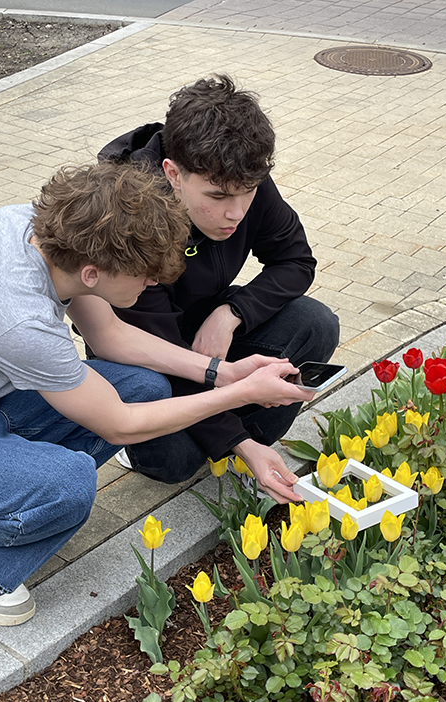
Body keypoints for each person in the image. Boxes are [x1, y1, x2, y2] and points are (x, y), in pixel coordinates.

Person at [0, 162, 312, 627]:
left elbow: (113, 337)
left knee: (142, 387)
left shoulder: (38, 232)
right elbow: (118, 424)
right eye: (144, 274)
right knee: (68, 484)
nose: (154, 282)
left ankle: (0, 486)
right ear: (93, 274)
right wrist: (240, 395)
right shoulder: (19, 316)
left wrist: (223, 372)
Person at [99, 74, 340, 499]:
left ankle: (242, 446)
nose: (235, 213)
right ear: (172, 173)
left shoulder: (238, 175)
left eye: (247, 193)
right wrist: (241, 444)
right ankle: (193, 446)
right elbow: (154, 347)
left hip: (210, 323)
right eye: (217, 197)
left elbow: (297, 261)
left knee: (314, 322)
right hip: (144, 350)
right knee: (177, 463)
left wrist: (232, 313)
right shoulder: (128, 215)